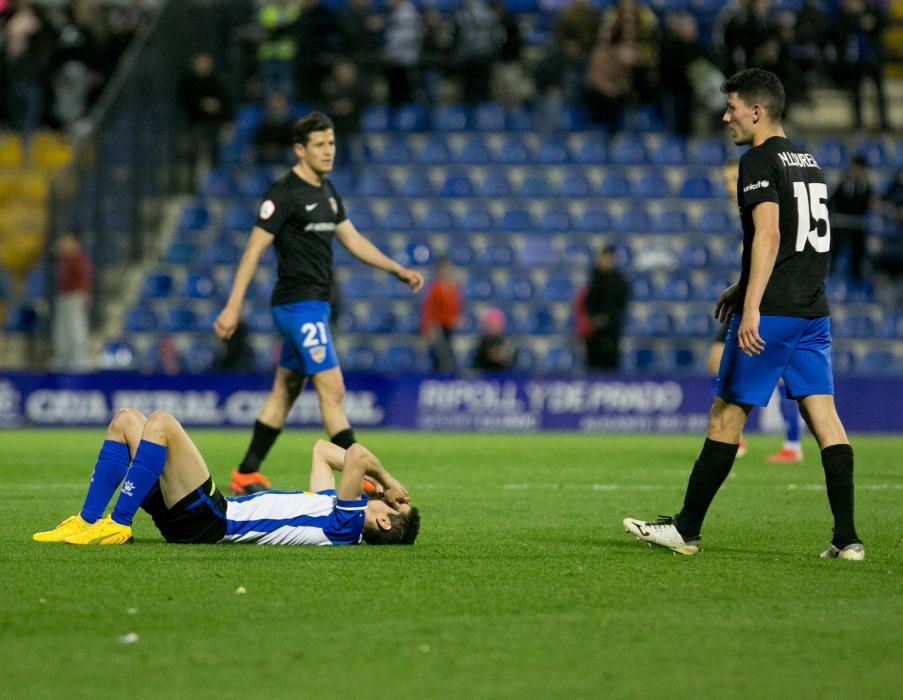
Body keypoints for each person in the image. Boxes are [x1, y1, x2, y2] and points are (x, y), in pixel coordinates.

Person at [624, 69, 864, 560]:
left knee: (725, 417)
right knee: (826, 418)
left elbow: (771, 234)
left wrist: (751, 305)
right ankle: (847, 539)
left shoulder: (757, 160)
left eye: (732, 106)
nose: (725, 115)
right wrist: (742, 287)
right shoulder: (807, 159)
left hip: (773, 311)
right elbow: (805, 239)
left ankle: (686, 530)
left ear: (757, 111)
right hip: (812, 310)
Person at [213, 112, 423, 496]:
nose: (329, 152)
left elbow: (354, 239)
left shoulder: (327, 191)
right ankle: (358, 471)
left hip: (317, 306)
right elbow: (252, 252)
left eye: (332, 144)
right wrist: (232, 306)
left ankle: (246, 473)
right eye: (321, 145)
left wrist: (397, 269)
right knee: (333, 387)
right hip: (297, 306)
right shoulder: (282, 194)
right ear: (300, 149)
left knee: (285, 390)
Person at [33, 408, 419, 546]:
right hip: (199, 520)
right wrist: (381, 486)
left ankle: (117, 524)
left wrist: (386, 480)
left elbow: (355, 456)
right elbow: (322, 450)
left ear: (383, 519)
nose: (385, 497)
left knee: (162, 424)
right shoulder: (331, 512)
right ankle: (85, 523)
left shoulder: (348, 525)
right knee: (127, 421)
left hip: (213, 520)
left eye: (388, 504)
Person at [706, 160, 803, 462]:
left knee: (780, 374)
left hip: (766, 302)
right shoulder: (749, 212)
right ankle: (736, 438)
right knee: (716, 361)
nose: (727, 187)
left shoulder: (765, 207)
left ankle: (793, 444)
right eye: (724, 181)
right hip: (749, 298)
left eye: (731, 179)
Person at [50, 231, 92, 371]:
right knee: (61, 329)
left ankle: (78, 357)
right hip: (63, 296)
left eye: (67, 241)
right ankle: (63, 357)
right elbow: (54, 251)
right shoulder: (64, 258)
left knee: (76, 327)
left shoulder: (79, 258)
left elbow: (85, 278)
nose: (64, 244)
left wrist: (84, 294)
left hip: (75, 296)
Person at [582, 245, 629, 371]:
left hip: (612, 331)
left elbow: (622, 305)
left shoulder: (620, 281)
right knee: (593, 366)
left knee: (610, 365)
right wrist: (594, 319)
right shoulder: (594, 279)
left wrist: (607, 319)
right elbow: (588, 303)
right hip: (594, 332)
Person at [829, 154, 872, 283]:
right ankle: (830, 275)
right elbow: (832, 201)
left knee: (857, 254)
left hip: (857, 226)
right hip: (841, 224)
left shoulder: (866, 187)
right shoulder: (843, 184)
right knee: (835, 251)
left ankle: (856, 279)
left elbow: (866, 206)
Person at [420, 256, 461, 373]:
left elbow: (457, 306)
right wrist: (428, 328)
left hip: (450, 327)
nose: (446, 271)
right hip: (438, 326)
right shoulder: (435, 288)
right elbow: (429, 309)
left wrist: (456, 318)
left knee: (448, 354)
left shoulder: (455, 287)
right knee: (441, 356)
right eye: (443, 268)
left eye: (448, 268)